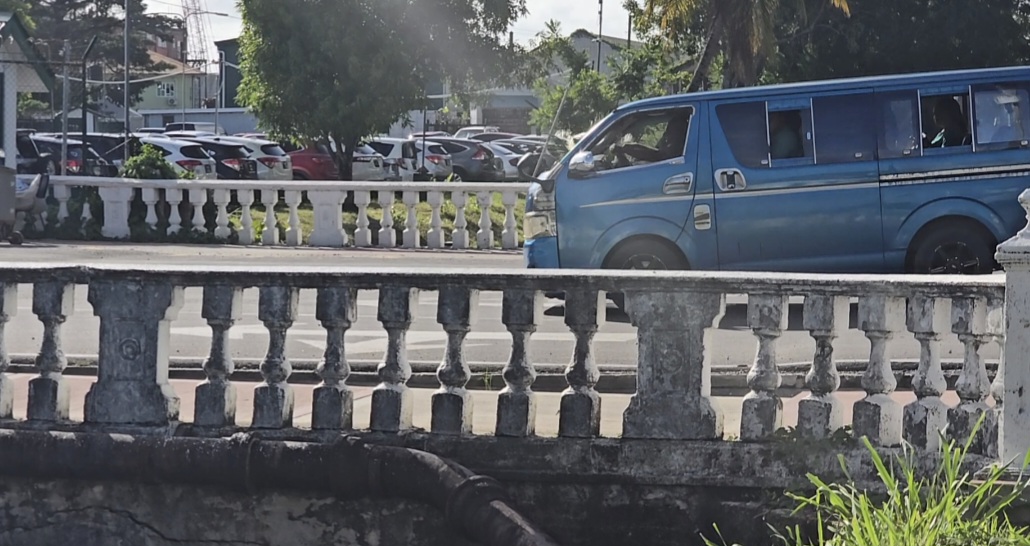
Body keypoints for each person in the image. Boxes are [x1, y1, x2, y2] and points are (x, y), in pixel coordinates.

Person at [613, 113, 690, 164]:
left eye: (670, 132)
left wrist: (627, 149)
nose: (666, 136)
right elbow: (655, 153)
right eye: (666, 132)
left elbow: (656, 156)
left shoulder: (674, 154)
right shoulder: (670, 147)